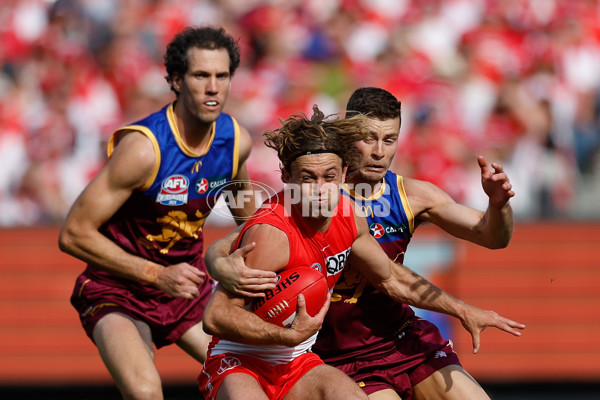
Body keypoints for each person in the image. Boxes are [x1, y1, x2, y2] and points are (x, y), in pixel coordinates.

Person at [198, 105, 525, 400]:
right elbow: (215, 316)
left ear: (343, 174)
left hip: (299, 359)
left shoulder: (349, 214)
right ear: (287, 178)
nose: (320, 189)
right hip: (241, 360)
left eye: (329, 177)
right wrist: (285, 334)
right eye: (307, 179)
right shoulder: (272, 234)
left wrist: (461, 309)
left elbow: (390, 277)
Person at [58, 26, 274, 400]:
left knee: (253, 387)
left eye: (222, 76)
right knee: (145, 391)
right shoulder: (144, 149)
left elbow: (243, 205)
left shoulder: (235, 139)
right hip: (118, 289)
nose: (213, 87)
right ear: (176, 79)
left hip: (187, 289)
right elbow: (73, 233)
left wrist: (267, 255)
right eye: (201, 75)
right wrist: (155, 274)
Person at [311, 86, 516, 400]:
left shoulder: (413, 196)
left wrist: (498, 206)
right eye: (369, 138)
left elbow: (492, 237)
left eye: (389, 140)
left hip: (402, 338)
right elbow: (390, 279)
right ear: (347, 134)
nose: (379, 151)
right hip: (343, 358)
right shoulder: (320, 198)